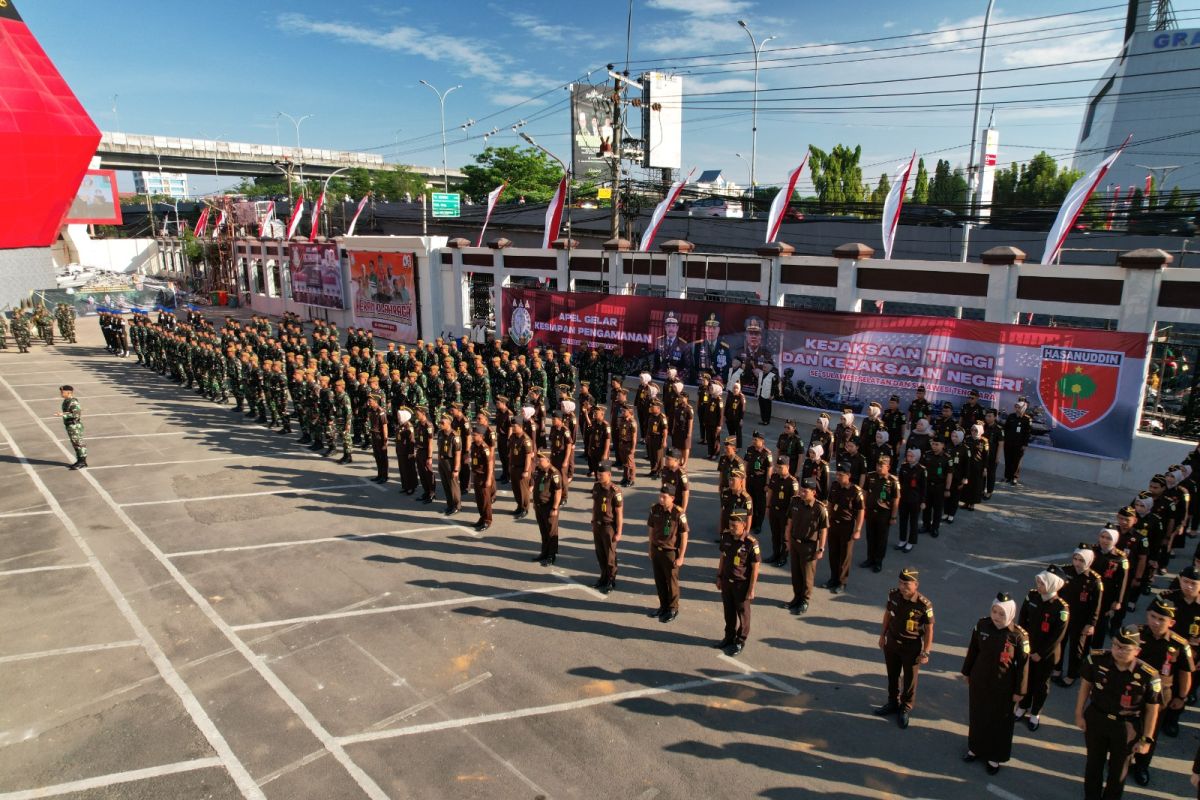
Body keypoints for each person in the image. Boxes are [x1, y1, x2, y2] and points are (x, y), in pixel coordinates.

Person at [1075, 626, 1162, 800]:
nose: (1119, 651)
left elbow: (1153, 709)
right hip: (1097, 719)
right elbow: (1085, 686)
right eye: (1116, 645)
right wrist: (1079, 714)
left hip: (1126, 727)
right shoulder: (1096, 660)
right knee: (1093, 765)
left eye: (1125, 648)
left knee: (1118, 773)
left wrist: (1146, 738)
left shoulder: (1148, 675)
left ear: (1137, 651)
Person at [961, 593, 1030, 775]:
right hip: (980, 680)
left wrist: (1019, 691)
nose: (997, 617)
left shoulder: (1018, 636)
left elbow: (1024, 665)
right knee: (978, 714)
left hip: (1004, 686)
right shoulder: (982, 625)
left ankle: (995, 756)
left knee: (1000, 721)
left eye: (1001, 613)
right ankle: (975, 748)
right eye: (994, 611)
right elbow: (973, 650)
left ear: (1010, 613)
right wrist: (967, 672)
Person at [1129, 597, 1196, 786]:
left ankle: (1142, 766)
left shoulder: (1179, 644)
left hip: (1160, 698)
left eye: (1161, 619)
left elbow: (1184, 673)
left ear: (1171, 623)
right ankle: (1123, 759)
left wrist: (1181, 697)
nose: (1156, 622)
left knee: (1150, 734)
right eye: (1153, 616)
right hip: (1132, 693)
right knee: (1128, 729)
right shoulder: (1136, 634)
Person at [875, 568, 934, 729]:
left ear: (916, 584)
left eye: (906, 584)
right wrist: (882, 635)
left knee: (909, 680)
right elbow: (887, 614)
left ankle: (905, 708)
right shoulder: (893, 595)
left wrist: (926, 651)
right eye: (900, 583)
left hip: (911, 647)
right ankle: (892, 702)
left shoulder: (924, 604)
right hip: (892, 642)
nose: (902, 587)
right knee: (892, 675)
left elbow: (929, 630)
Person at [1016, 571, 1070, 732]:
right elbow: (1022, 620)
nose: (1038, 586)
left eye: (1042, 583)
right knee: (1026, 679)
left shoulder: (1061, 608)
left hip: (1046, 655)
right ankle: (1023, 706)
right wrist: (1023, 644)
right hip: (1028, 649)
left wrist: (1040, 653)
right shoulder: (1032, 596)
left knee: (1041, 684)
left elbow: (1057, 637)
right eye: (1038, 582)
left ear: (1053, 585)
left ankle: (1035, 712)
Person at [1052, 546, 1104, 688]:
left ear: (1089, 561)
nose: (1077, 563)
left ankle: (1072, 674)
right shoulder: (1066, 571)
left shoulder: (1094, 580)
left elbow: (1096, 605)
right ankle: (1057, 669)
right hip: (1064, 616)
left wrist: (1091, 623)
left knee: (1076, 648)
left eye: (1081, 560)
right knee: (1060, 643)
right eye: (1075, 558)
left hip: (1081, 620)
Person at [714, 509, 760, 656]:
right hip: (727, 581)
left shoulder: (751, 543)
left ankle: (740, 641)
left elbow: (755, 568)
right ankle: (729, 637)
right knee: (728, 612)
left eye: (735, 526)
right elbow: (722, 557)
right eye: (730, 525)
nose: (731, 528)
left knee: (743, 614)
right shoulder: (726, 536)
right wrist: (719, 576)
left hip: (742, 584)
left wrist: (751, 589)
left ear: (744, 525)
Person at [783, 477, 828, 615]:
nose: (802, 493)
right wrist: (787, 540)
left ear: (813, 492)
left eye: (805, 491)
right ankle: (796, 598)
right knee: (796, 573)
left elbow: (823, 530)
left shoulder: (819, 508)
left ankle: (805, 601)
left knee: (807, 576)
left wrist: (821, 548)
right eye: (802, 490)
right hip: (795, 543)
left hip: (809, 546)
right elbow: (789, 522)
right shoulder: (795, 502)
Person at [647, 488, 689, 623]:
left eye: (664, 497)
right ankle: (663, 606)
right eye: (660, 496)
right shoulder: (655, 509)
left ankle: (672, 608)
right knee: (659, 581)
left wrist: (681, 556)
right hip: (656, 550)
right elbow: (651, 530)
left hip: (670, 553)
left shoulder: (678, 513)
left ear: (672, 498)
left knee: (671, 582)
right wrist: (650, 548)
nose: (661, 499)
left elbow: (684, 536)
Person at [826, 461, 865, 594]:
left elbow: (861, 511)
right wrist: (827, 521)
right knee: (833, 553)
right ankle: (833, 578)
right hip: (833, 524)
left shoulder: (855, 491)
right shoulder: (835, 486)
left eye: (841, 475)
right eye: (837, 474)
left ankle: (842, 582)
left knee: (844, 556)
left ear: (848, 475)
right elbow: (830, 504)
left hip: (847, 526)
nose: (838, 477)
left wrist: (858, 529)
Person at [861, 456, 900, 573]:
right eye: (877, 465)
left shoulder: (893, 481)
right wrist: (863, 508)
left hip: (884, 514)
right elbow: (865, 492)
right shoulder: (870, 476)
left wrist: (893, 516)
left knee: (881, 539)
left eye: (881, 466)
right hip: (871, 511)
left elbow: (896, 499)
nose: (878, 468)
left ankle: (878, 562)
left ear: (888, 467)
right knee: (870, 536)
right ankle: (870, 559)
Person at [590, 464, 623, 593]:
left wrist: (619, 532)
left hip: (609, 527)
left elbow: (619, 513)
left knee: (610, 555)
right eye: (598, 474)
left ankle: (611, 580)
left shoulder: (615, 491)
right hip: (597, 525)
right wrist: (593, 521)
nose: (599, 476)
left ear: (609, 475)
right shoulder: (596, 486)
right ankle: (603, 577)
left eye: (601, 475)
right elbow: (595, 506)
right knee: (600, 553)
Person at [766, 455, 799, 566]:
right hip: (774, 510)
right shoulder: (774, 477)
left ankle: (783, 557)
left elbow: (793, 501)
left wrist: (790, 516)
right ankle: (775, 554)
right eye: (777, 467)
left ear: (788, 467)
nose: (778, 469)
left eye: (781, 467)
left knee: (784, 536)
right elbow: (770, 492)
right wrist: (767, 507)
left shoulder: (792, 482)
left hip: (784, 513)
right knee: (775, 534)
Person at [531, 451, 562, 564]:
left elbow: (558, 491)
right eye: (538, 460)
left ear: (548, 461)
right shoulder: (539, 471)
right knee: (543, 531)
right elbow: (537, 488)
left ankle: (551, 555)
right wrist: (535, 503)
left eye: (541, 460)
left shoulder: (554, 473)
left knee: (551, 532)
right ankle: (544, 552)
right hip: (539, 506)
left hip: (549, 507)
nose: (538, 461)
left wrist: (554, 508)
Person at [896, 448, 926, 553]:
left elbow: (923, 487)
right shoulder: (904, 467)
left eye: (912, 456)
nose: (909, 458)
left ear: (917, 457)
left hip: (915, 500)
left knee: (913, 522)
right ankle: (902, 540)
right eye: (908, 456)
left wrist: (923, 501)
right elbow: (899, 482)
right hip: (904, 498)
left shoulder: (921, 470)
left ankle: (911, 542)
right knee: (903, 520)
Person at [469, 425, 496, 531]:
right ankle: (482, 517)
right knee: (479, 499)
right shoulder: (474, 445)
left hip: (484, 476)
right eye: (472, 434)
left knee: (485, 500)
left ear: (481, 436)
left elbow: (489, 465)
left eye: (475, 435)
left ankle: (487, 520)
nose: (472, 436)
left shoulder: (485, 448)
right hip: (476, 475)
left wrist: (489, 479)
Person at [692, 312, 732, 384]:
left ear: (718, 330)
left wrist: (722, 378)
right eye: (709, 327)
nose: (711, 331)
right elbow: (692, 367)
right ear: (705, 329)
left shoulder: (725, 348)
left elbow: (727, 369)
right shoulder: (697, 346)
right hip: (701, 383)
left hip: (717, 385)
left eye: (714, 328)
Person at [1003, 398, 1033, 485]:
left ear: (1024, 408)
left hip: (1019, 445)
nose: (1017, 409)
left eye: (1019, 407)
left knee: (1017, 461)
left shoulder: (1027, 419)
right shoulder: (1011, 416)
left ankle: (1014, 477)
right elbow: (1006, 429)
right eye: (1016, 407)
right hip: (1008, 443)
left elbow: (1028, 433)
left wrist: (1025, 444)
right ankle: (1007, 477)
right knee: (1008, 460)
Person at [56, 385, 87, 469]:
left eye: (63, 392)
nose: (61, 394)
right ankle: (79, 460)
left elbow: (76, 414)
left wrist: (63, 415)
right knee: (75, 443)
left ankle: (82, 461)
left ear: (69, 392)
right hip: (70, 425)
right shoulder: (67, 401)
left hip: (74, 425)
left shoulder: (73, 402)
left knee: (78, 443)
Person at [437, 414, 461, 515]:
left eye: (443, 423)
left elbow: (458, 453)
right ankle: (449, 505)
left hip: (450, 462)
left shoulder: (455, 436)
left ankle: (456, 506)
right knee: (445, 485)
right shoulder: (440, 433)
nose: (440, 425)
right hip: (442, 461)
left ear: (449, 423)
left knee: (453, 485)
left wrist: (456, 469)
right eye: (440, 422)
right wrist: (439, 462)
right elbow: (439, 448)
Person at [508, 422, 534, 519]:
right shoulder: (513, 437)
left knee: (523, 490)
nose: (513, 428)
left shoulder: (526, 440)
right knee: (516, 489)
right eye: (512, 426)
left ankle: (525, 508)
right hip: (514, 466)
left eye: (515, 426)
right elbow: (511, 451)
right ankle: (519, 506)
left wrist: (526, 470)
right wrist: (510, 465)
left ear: (521, 427)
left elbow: (528, 457)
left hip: (522, 468)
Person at [366, 393, 389, 483]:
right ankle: (379, 474)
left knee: (383, 457)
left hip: (380, 437)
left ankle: (384, 476)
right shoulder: (371, 410)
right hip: (374, 436)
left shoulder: (381, 411)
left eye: (370, 401)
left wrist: (385, 441)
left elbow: (384, 427)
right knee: (377, 456)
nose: (368, 402)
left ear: (375, 401)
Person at [724, 382, 746, 448]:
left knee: (738, 433)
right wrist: (725, 415)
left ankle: (738, 446)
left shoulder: (741, 397)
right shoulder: (730, 395)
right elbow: (726, 406)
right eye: (734, 388)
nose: (735, 389)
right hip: (729, 418)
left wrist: (741, 419)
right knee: (731, 432)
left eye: (737, 388)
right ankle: (732, 445)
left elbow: (743, 409)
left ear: (739, 389)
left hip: (737, 419)